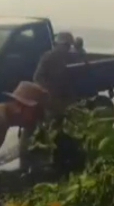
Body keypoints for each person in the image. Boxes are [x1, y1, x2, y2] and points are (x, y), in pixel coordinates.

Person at [21, 32, 75, 172]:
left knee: (56, 129)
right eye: (66, 46)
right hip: (46, 99)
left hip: (58, 99)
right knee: (41, 130)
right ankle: (30, 163)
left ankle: (51, 160)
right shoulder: (48, 57)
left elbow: (69, 81)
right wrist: (46, 94)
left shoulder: (67, 58)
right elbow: (37, 77)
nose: (67, 49)